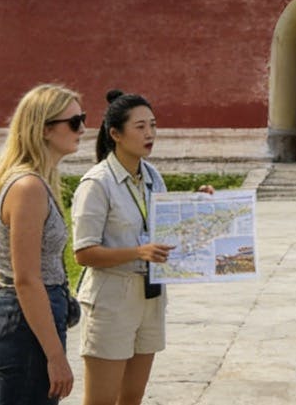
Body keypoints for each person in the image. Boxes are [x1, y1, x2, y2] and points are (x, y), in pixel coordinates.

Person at [72, 90, 211, 405]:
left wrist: (199, 204)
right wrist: (138, 252)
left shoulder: (152, 176)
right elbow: (83, 253)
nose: (150, 133)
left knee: (132, 397)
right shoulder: (97, 184)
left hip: (151, 296)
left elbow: (163, 226)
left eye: (153, 125)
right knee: (101, 400)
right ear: (115, 134)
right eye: (140, 127)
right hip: (111, 299)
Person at [0, 83, 86, 405]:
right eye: (74, 122)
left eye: (82, 119)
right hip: (25, 321)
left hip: (32, 317)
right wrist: (55, 356)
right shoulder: (28, 187)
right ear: (44, 129)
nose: (83, 129)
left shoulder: (37, 181)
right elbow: (26, 278)